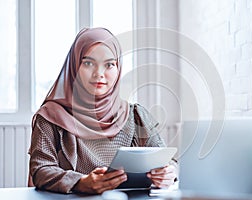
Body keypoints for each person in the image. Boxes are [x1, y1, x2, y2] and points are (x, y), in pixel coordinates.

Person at [28, 27, 177, 194]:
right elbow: (40, 170)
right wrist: (79, 183)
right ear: (74, 66)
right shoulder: (51, 116)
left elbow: (168, 160)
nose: (99, 74)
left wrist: (169, 173)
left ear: (118, 68)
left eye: (109, 64)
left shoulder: (135, 115)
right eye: (88, 63)